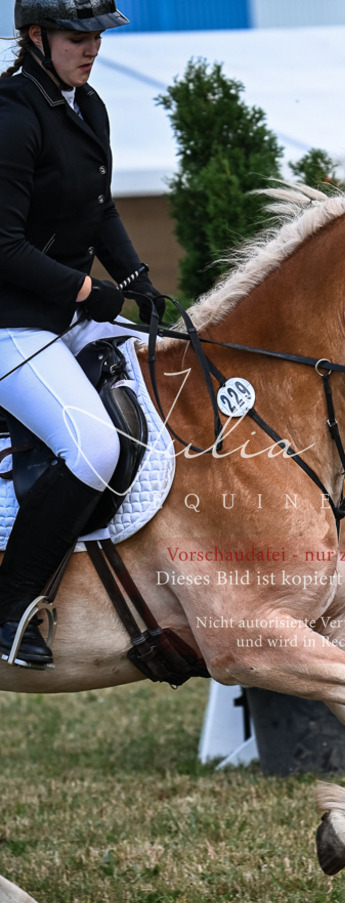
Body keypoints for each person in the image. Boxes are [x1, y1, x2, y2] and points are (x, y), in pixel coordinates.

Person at [0, 0, 165, 670]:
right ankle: (11, 606)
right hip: (11, 320)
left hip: (64, 317)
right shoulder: (11, 118)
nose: (91, 47)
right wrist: (87, 291)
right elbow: (4, 246)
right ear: (34, 37)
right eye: (77, 36)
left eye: (97, 36)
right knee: (95, 448)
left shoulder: (85, 106)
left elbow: (99, 211)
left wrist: (133, 279)